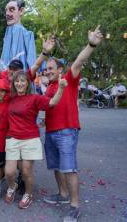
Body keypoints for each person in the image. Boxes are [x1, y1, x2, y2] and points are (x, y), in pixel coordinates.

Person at [42, 26, 103, 222]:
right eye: (46, 69)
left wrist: (91, 44)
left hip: (67, 131)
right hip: (51, 131)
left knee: (69, 167)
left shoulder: (69, 78)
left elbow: (79, 61)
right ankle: (62, 195)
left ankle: (74, 206)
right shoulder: (49, 87)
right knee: (56, 167)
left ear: (60, 69)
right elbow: (50, 106)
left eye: (51, 68)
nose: (48, 71)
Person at [4, 71, 67, 209]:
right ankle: (12, 186)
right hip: (12, 138)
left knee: (26, 171)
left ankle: (28, 194)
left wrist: (61, 88)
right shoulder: (10, 98)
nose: (19, 83)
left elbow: (52, 102)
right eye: (17, 81)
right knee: (9, 172)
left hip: (30, 138)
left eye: (22, 81)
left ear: (28, 83)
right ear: (13, 84)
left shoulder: (35, 98)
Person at [0, 0, 36, 71]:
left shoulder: (28, 36)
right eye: (6, 10)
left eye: (11, 9)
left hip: (21, 78)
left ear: (21, 11)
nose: (7, 13)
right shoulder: (7, 35)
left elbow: (32, 63)